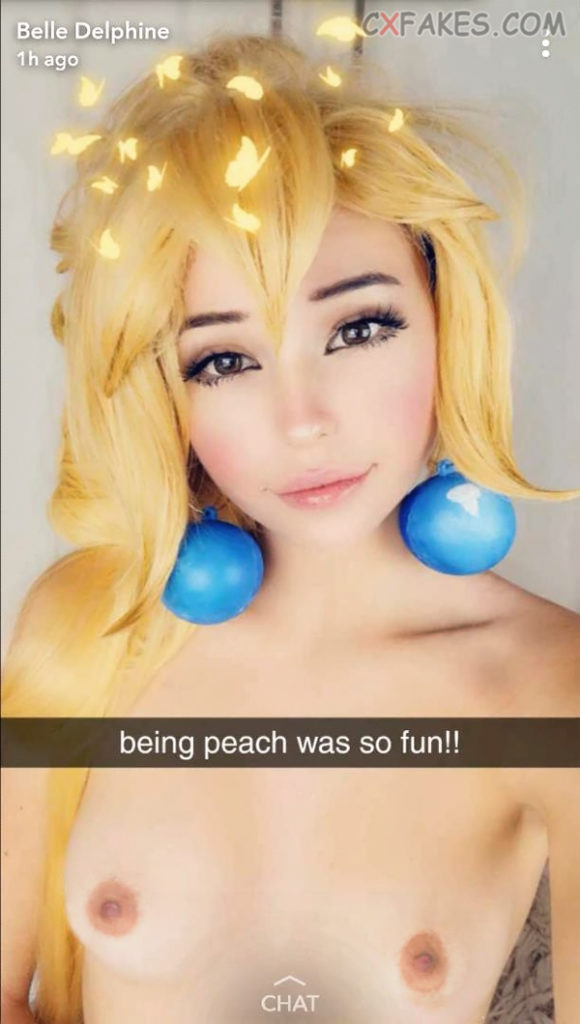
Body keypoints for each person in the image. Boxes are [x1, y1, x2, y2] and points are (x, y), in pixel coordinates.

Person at [1, 30, 579, 1024]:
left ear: (448, 323)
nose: (302, 420)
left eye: (357, 329)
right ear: (166, 393)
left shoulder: (548, 685)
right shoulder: (89, 626)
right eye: (225, 360)